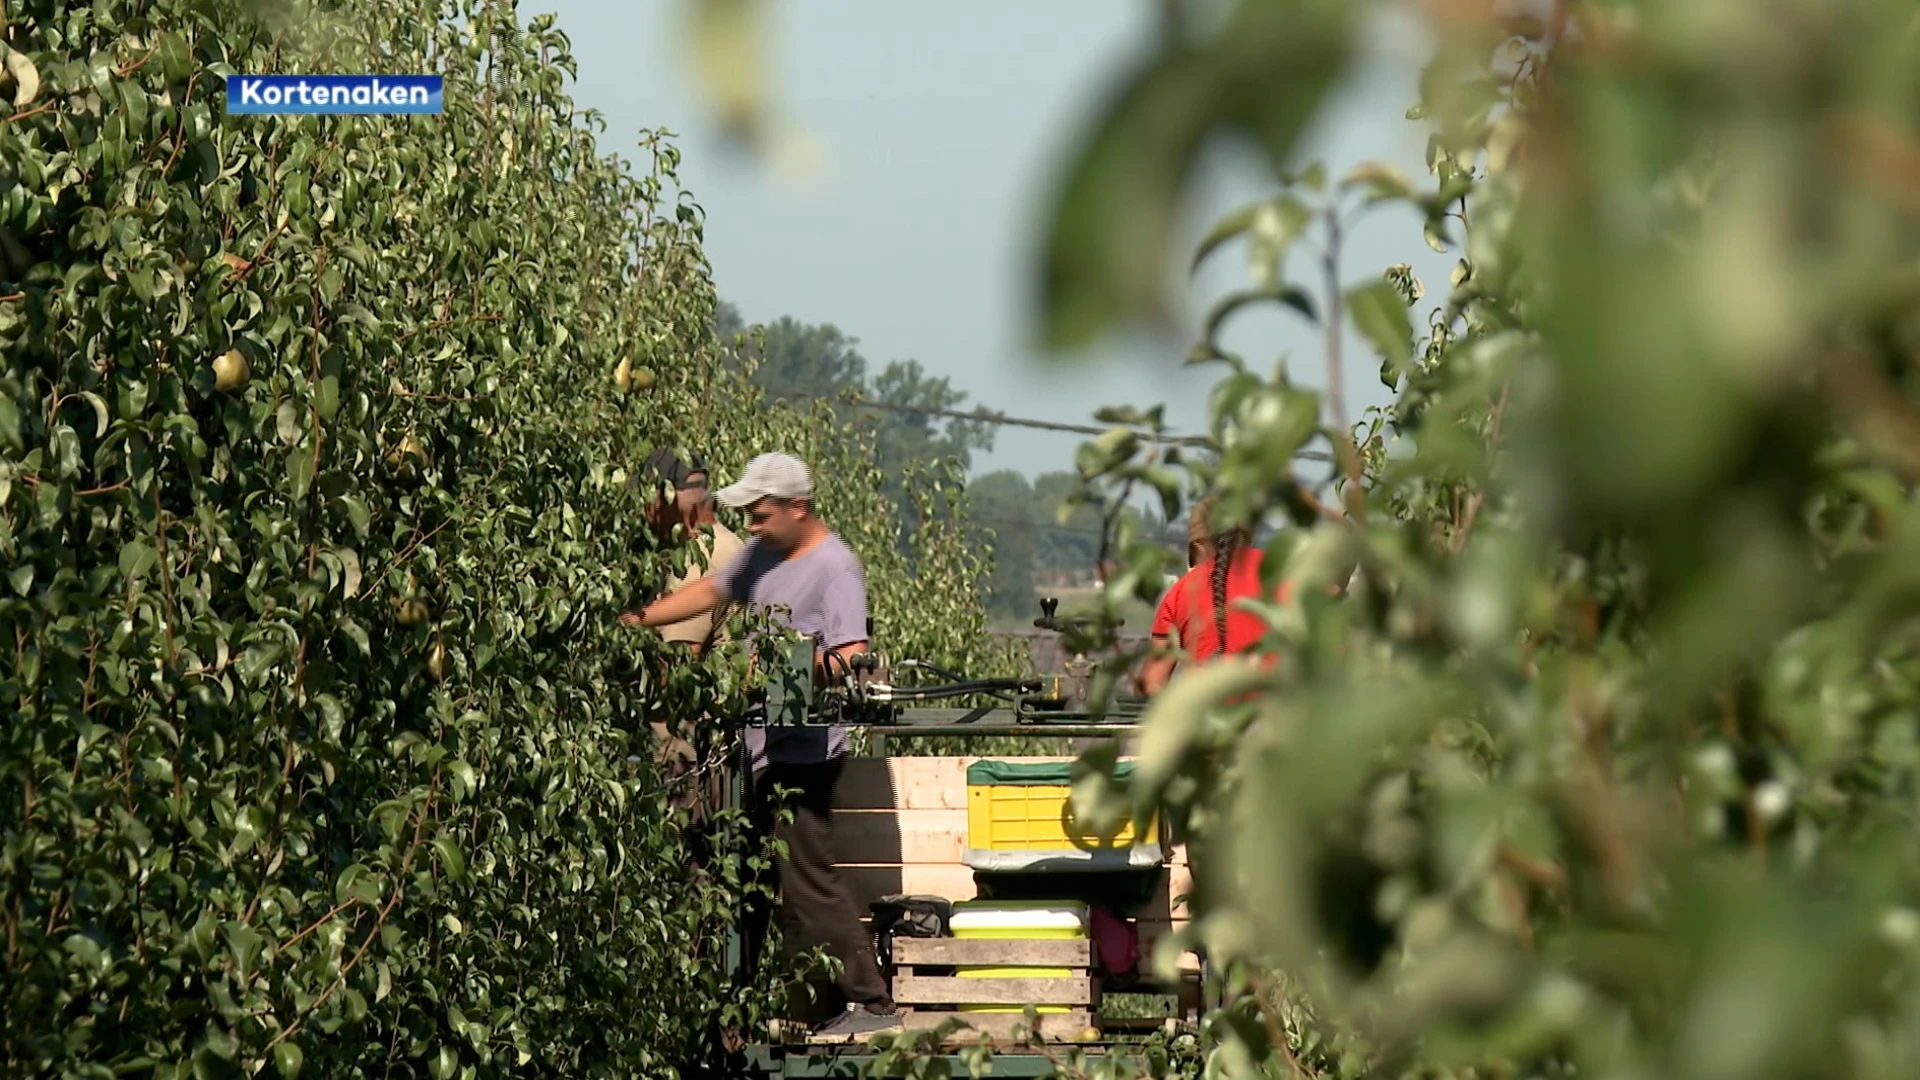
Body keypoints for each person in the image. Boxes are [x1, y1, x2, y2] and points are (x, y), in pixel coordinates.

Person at [624, 451, 898, 1037]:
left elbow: (851, 656)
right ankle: (730, 1007)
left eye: (760, 512)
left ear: (798, 508)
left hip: (805, 750)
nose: (750, 524)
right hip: (759, 747)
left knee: (806, 875)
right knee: (743, 878)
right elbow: (709, 589)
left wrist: (785, 669)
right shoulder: (764, 554)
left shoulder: (835, 566)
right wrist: (636, 619)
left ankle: (872, 1005)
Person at [617, 446, 745, 818]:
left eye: (652, 499)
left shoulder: (698, 559)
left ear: (677, 497)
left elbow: (674, 668)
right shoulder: (723, 544)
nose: (646, 512)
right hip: (701, 757)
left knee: (685, 867)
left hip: (684, 762)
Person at [1135, 496, 1286, 696]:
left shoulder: (1180, 593)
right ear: (1248, 536)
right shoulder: (1283, 571)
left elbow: (1149, 686)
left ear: (1198, 547)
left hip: (1206, 721)